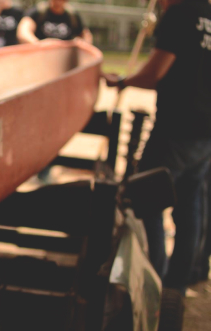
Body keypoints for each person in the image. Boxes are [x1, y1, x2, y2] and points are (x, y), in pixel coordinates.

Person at [104, 0, 211, 295]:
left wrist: (122, 81)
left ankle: (155, 276)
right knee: (190, 206)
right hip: (204, 132)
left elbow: (155, 72)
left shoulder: (179, 13)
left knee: (146, 199)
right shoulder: (208, 13)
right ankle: (178, 280)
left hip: (176, 129)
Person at [16, 0, 92, 44]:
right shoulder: (38, 12)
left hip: (65, 61)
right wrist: (39, 44)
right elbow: (23, 32)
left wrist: (81, 44)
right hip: (40, 58)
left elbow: (86, 35)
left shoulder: (72, 15)